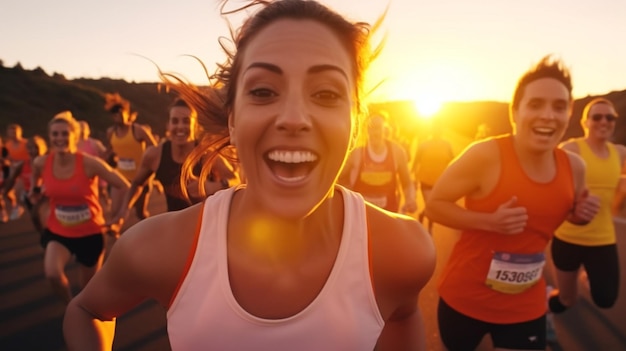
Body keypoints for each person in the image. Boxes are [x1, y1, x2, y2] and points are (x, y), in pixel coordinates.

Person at [63, 1, 436, 350]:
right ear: (233, 122)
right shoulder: (161, 249)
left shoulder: (402, 252)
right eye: (262, 91)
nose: (293, 118)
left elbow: (403, 315)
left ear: (356, 124)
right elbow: (87, 310)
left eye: (325, 94)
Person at [425, 55, 600, 350]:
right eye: (535, 104)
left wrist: (580, 215)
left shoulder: (575, 167)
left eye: (559, 107)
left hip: (526, 304)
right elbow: (435, 204)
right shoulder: (484, 155)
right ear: (515, 112)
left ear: (569, 113)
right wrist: (489, 221)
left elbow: (568, 213)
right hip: (466, 298)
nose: (548, 115)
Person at [30, 111, 130, 305]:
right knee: (52, 273)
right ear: (50, 137)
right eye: (55, 134)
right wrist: (36, 189)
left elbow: (124, 185)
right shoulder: (42, 162)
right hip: (58, 231)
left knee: (88, 291)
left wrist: (121, 214)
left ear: (75, 137)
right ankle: (69, 305)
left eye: (65, 134)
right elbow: (35, 173)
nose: (60, 138)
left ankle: (82, 308)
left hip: (90, 233)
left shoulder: (89, 163)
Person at [548, 98, 625, 317]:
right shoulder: (571, 149)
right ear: (585, 122)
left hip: (603, 240)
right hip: (568, 238)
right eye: (597, 117)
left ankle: (586, 275)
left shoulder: (619, 152)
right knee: (567, 299)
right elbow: (553, 187)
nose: (604, 121)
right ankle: (545, 307)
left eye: (610, 117)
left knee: (606, 299)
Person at [112, 97, 239, 227]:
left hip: (207, 226)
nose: (180, 127)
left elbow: (237, 180)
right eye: (175, 121)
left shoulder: (206, 155)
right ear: (168, 125)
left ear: (194, 126)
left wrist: (212, 186)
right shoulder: (154, 155)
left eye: (186, 121)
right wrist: (124, 210)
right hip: (175, 226)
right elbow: (137, 183)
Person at [339, 110, 417, 214]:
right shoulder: (357, 153)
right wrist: (350, 196)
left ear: (385, 130)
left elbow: (407, 183)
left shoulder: (397, 152)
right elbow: (341, 178)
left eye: (378, 128)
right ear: (366, 130)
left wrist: (410, 199)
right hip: (361, 216)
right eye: (371, 128)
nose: (375, 132)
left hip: (389, 214)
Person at [104, 93, 157, 220]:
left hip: (139, 179)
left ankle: (147, 236)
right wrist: (109, 159)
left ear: (128, 114)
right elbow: (110, 150)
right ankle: (116, 235)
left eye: (121, 112)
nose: (119, 116)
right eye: (115, 114)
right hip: (121, 177)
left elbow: (154, 148)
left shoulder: (137, 130)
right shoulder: (111, 133)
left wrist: (149, 167)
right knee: (115, 211)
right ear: (113, 117)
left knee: (141, 214)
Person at [412, 117, 455, 232]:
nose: (437, 130)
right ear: (431, 129)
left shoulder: (447, 145)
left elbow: (453, 161)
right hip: (425, 180)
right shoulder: (423, 145)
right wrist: (414, 180)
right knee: (430, 205)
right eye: (435, 128)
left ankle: (424, 217)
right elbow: (416, 162)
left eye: (439, 128)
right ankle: (429, 231)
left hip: (440, 182)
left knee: (432, 207)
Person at [2, 135, 49, 233]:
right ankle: (44, 236)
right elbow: (12, 179)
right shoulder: (23, 165)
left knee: (42, 217)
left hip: (46, 196)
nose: (33, 151)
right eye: (30, 148)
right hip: (30, 196)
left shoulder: (48, 163)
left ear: (43, 148)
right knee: (36, 219)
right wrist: (6, 192)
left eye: (36, 148)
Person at [77, 120, 111, 209]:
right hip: (82, 173)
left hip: (97, 171)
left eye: (83, 129)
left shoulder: (94, 143)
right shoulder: (74, 144)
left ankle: (107, 202)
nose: (82, 131)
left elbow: (104, 153)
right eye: (80, 129)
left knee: (101, 191)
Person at [4, 123, 29, 220]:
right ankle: (15, 205)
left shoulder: (26, 143)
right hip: (14, 170)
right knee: (6, 191)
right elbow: (7, 158)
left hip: (26, 169)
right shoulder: (8, 145)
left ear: (20, 133)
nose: (13, 134)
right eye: (11, 133)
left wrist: (20, 163)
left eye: (15, 132)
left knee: (19, 189)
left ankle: (20, 204)